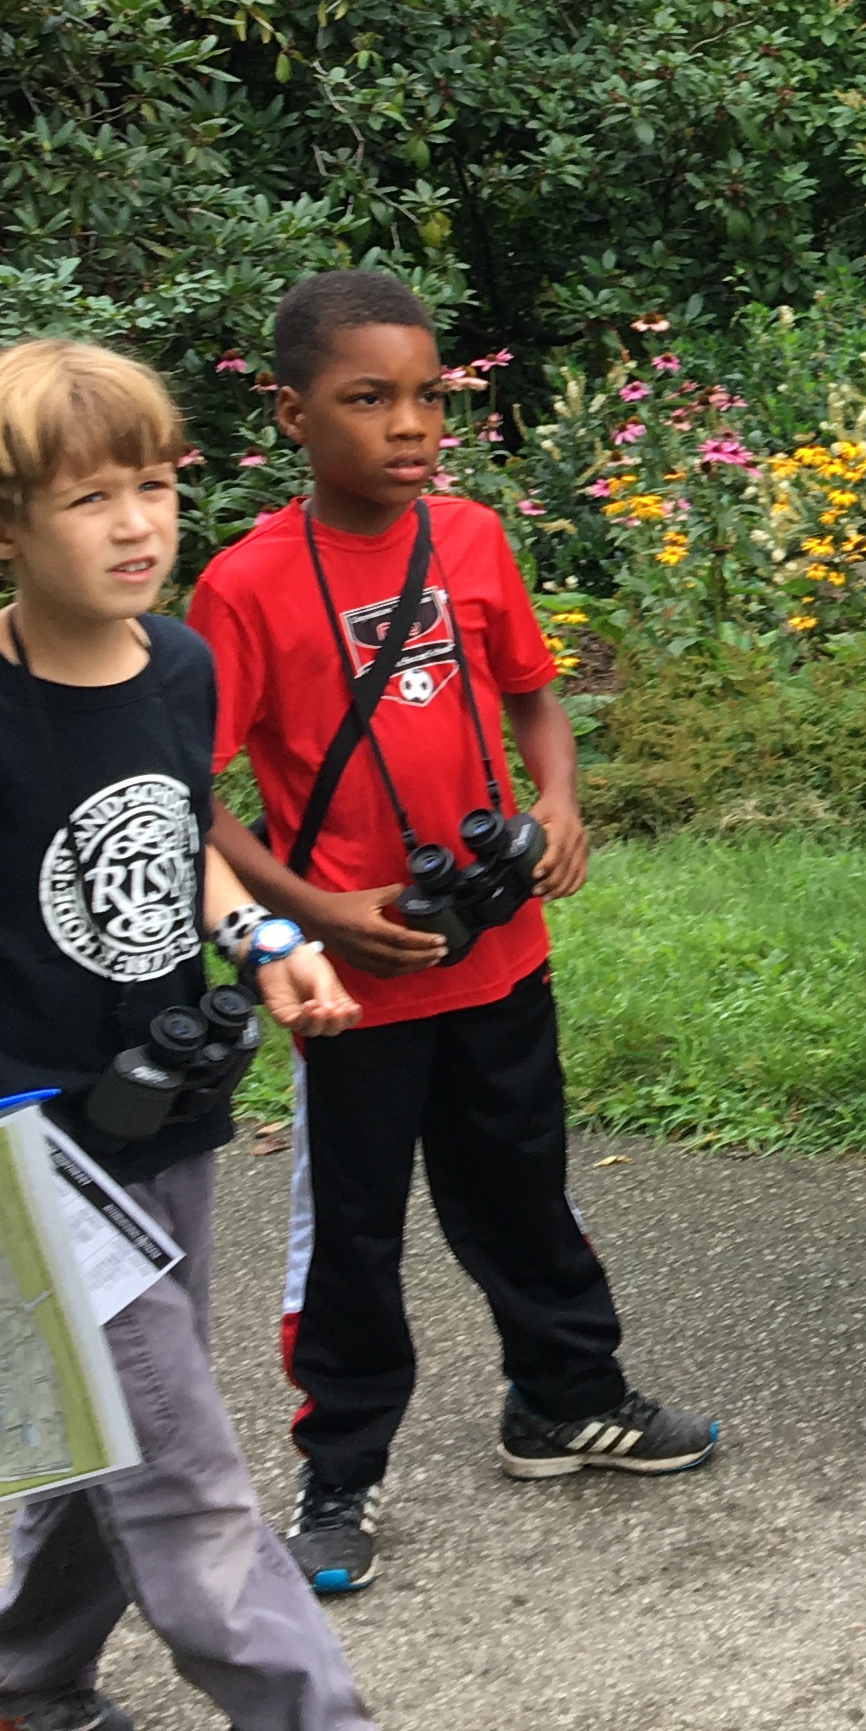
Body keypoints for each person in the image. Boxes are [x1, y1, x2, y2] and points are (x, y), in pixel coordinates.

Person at [0, 339, 435, 1731]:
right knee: (181, 1469)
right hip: (22, 1153)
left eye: (154, 485)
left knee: (105, 1435)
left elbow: (181, 847)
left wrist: (270, 947)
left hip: (166, 1122)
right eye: (87, 498)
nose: (136, 523)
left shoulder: (177, 666)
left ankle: (25, 1672)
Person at [192, 270, 717, 1604]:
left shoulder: (474, 540)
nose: (410, 425)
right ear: (293, 413)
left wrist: (555, 804)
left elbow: (536, 699)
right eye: (369, 400)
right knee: (353, 1241)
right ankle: (340, 1475)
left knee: (526, 1196)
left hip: (498, 959)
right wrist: (318, 913)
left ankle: (564, 1403)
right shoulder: (244, 587)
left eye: (430, 396)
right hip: (355, 989)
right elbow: (194, 798)